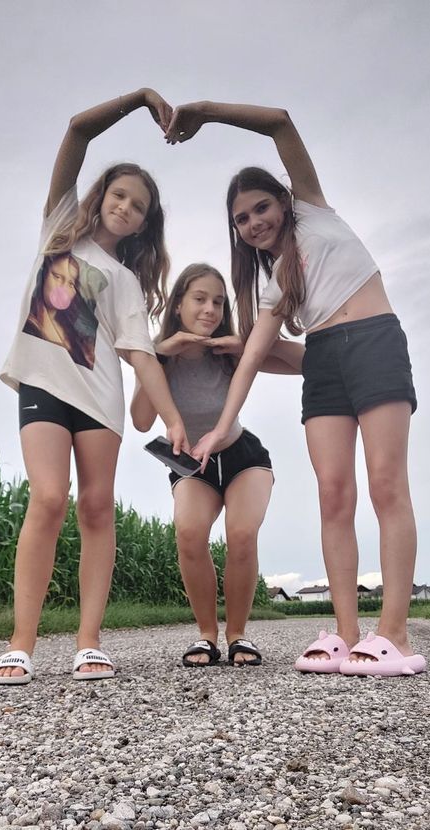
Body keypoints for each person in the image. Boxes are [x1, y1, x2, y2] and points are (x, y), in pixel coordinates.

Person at [164, 101, 426, 677]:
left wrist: (204, 112)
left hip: (375, 339)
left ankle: (397, 633)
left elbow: (281, 122)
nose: (255, 222)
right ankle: (350, 634)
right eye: (242, 219)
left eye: (261, 208)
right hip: (324, 362)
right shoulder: (265, 277)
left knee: (386, 485)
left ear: (283, 200)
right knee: (334, 494)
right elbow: (256, 354)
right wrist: (214, 431)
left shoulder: (313, 211)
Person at [0, 89, 188, 685]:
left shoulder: (126, 280)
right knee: (48, 498)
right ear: (100, 196)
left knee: (97, 509)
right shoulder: (57, 232)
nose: (126, 207)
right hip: (43, 385)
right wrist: (140, 101)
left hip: (100, 400)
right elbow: (76, 132)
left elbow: (139, 356)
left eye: (140, 206)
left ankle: (88, 642)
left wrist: (173, 418)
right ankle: (22, 643)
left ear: (146, 223)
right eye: (119, 195)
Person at [131, 263, 303, 667]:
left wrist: (250, 346)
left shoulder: (228, 349)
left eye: (218, 301)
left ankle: (238, 635)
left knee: (241, 534)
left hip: (244, 457)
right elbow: (141, 420)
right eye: (200, 299)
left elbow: (304, 362)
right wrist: (159, 356)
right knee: (189, 534)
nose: (210, 309)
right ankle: (207, 635)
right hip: (193, 466)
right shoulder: (158, 356)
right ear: (177, 306)